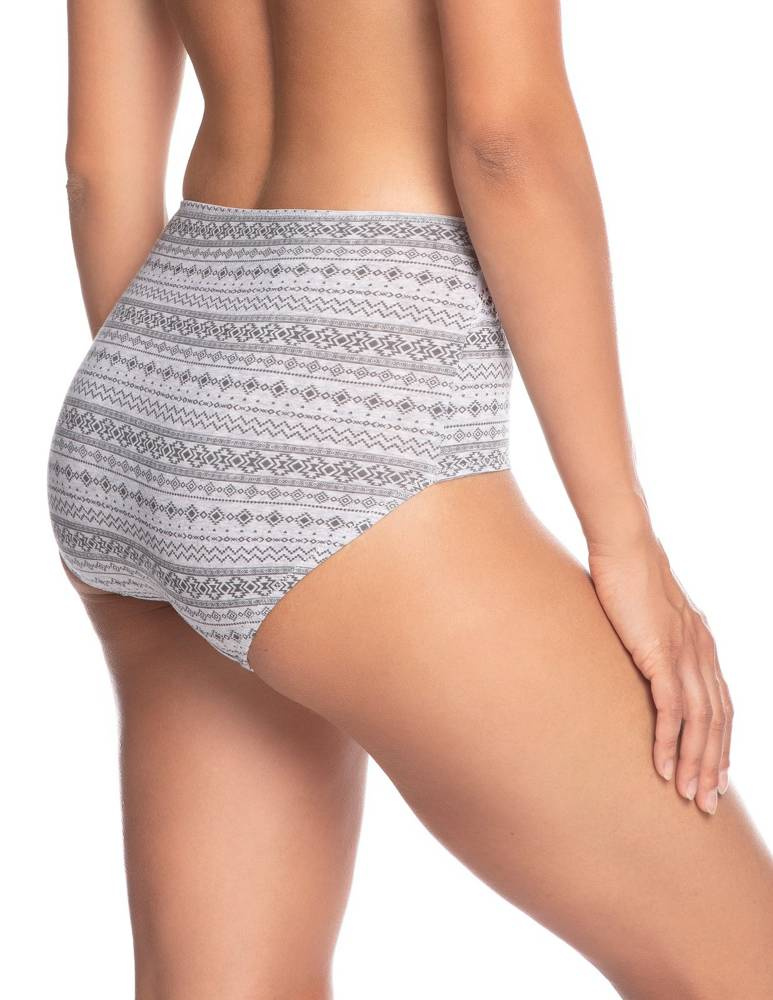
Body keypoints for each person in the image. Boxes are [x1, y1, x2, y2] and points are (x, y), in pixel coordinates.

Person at [49, 1, 773, 997]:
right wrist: (625, 541)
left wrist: (193, 432)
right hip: (353, 405)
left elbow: (96, 169)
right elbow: (503, 140)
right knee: (738, 962)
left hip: (138, 384)